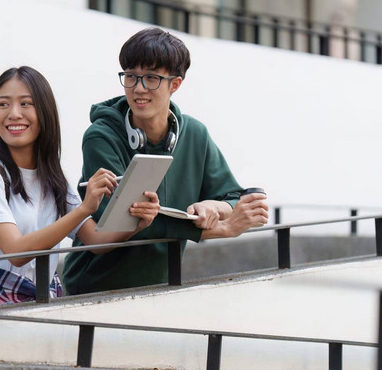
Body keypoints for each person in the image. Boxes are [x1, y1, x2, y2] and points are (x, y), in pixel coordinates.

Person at [62, 27, 269, 295]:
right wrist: (224, 229)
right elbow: (123, 219)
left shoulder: (195, 134)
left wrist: (213, 206)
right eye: (131, 76)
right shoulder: (100, 136)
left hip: (160, 286)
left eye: (151, 78)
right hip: (93, 286)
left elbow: (232, 197)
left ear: (175, 84)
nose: (138, 88)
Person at [0, 66, 160, 308]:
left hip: (41, 299)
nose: (13, 114)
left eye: (26, 104)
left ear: (45, 113)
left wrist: (137, 223)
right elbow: (15, 251)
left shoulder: (53, 178)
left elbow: (96, 241)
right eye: (3, 104)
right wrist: (84, 209)